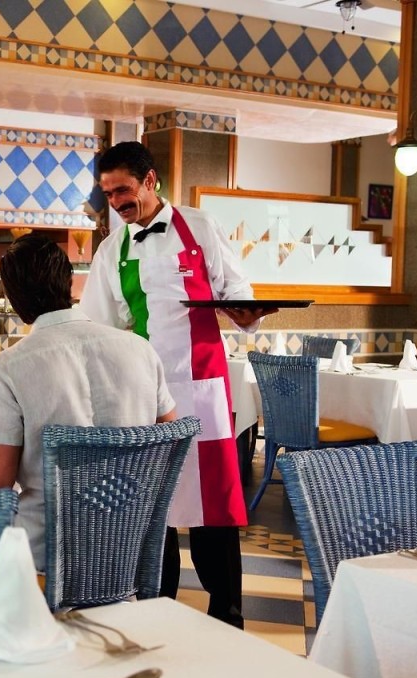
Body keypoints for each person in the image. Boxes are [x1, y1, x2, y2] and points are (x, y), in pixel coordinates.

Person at [79, 141, 276, 628]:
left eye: (123, 190)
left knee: (215, 506)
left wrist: (245, 313)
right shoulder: (112, 249)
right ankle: (157, 609)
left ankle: (227, 616)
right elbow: (99, 327)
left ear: (150, 181)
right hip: (145, 392)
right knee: (155, 505)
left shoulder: (200, 226)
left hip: (203, 387)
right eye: (108, 194)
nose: (116, 203)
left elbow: (237, 290)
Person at [0, 234, 175, 570]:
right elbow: (168, 440)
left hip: (43, 558)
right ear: (69, 282)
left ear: (12, 298)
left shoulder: (7, 367)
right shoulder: (140, 349)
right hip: (129, 549)